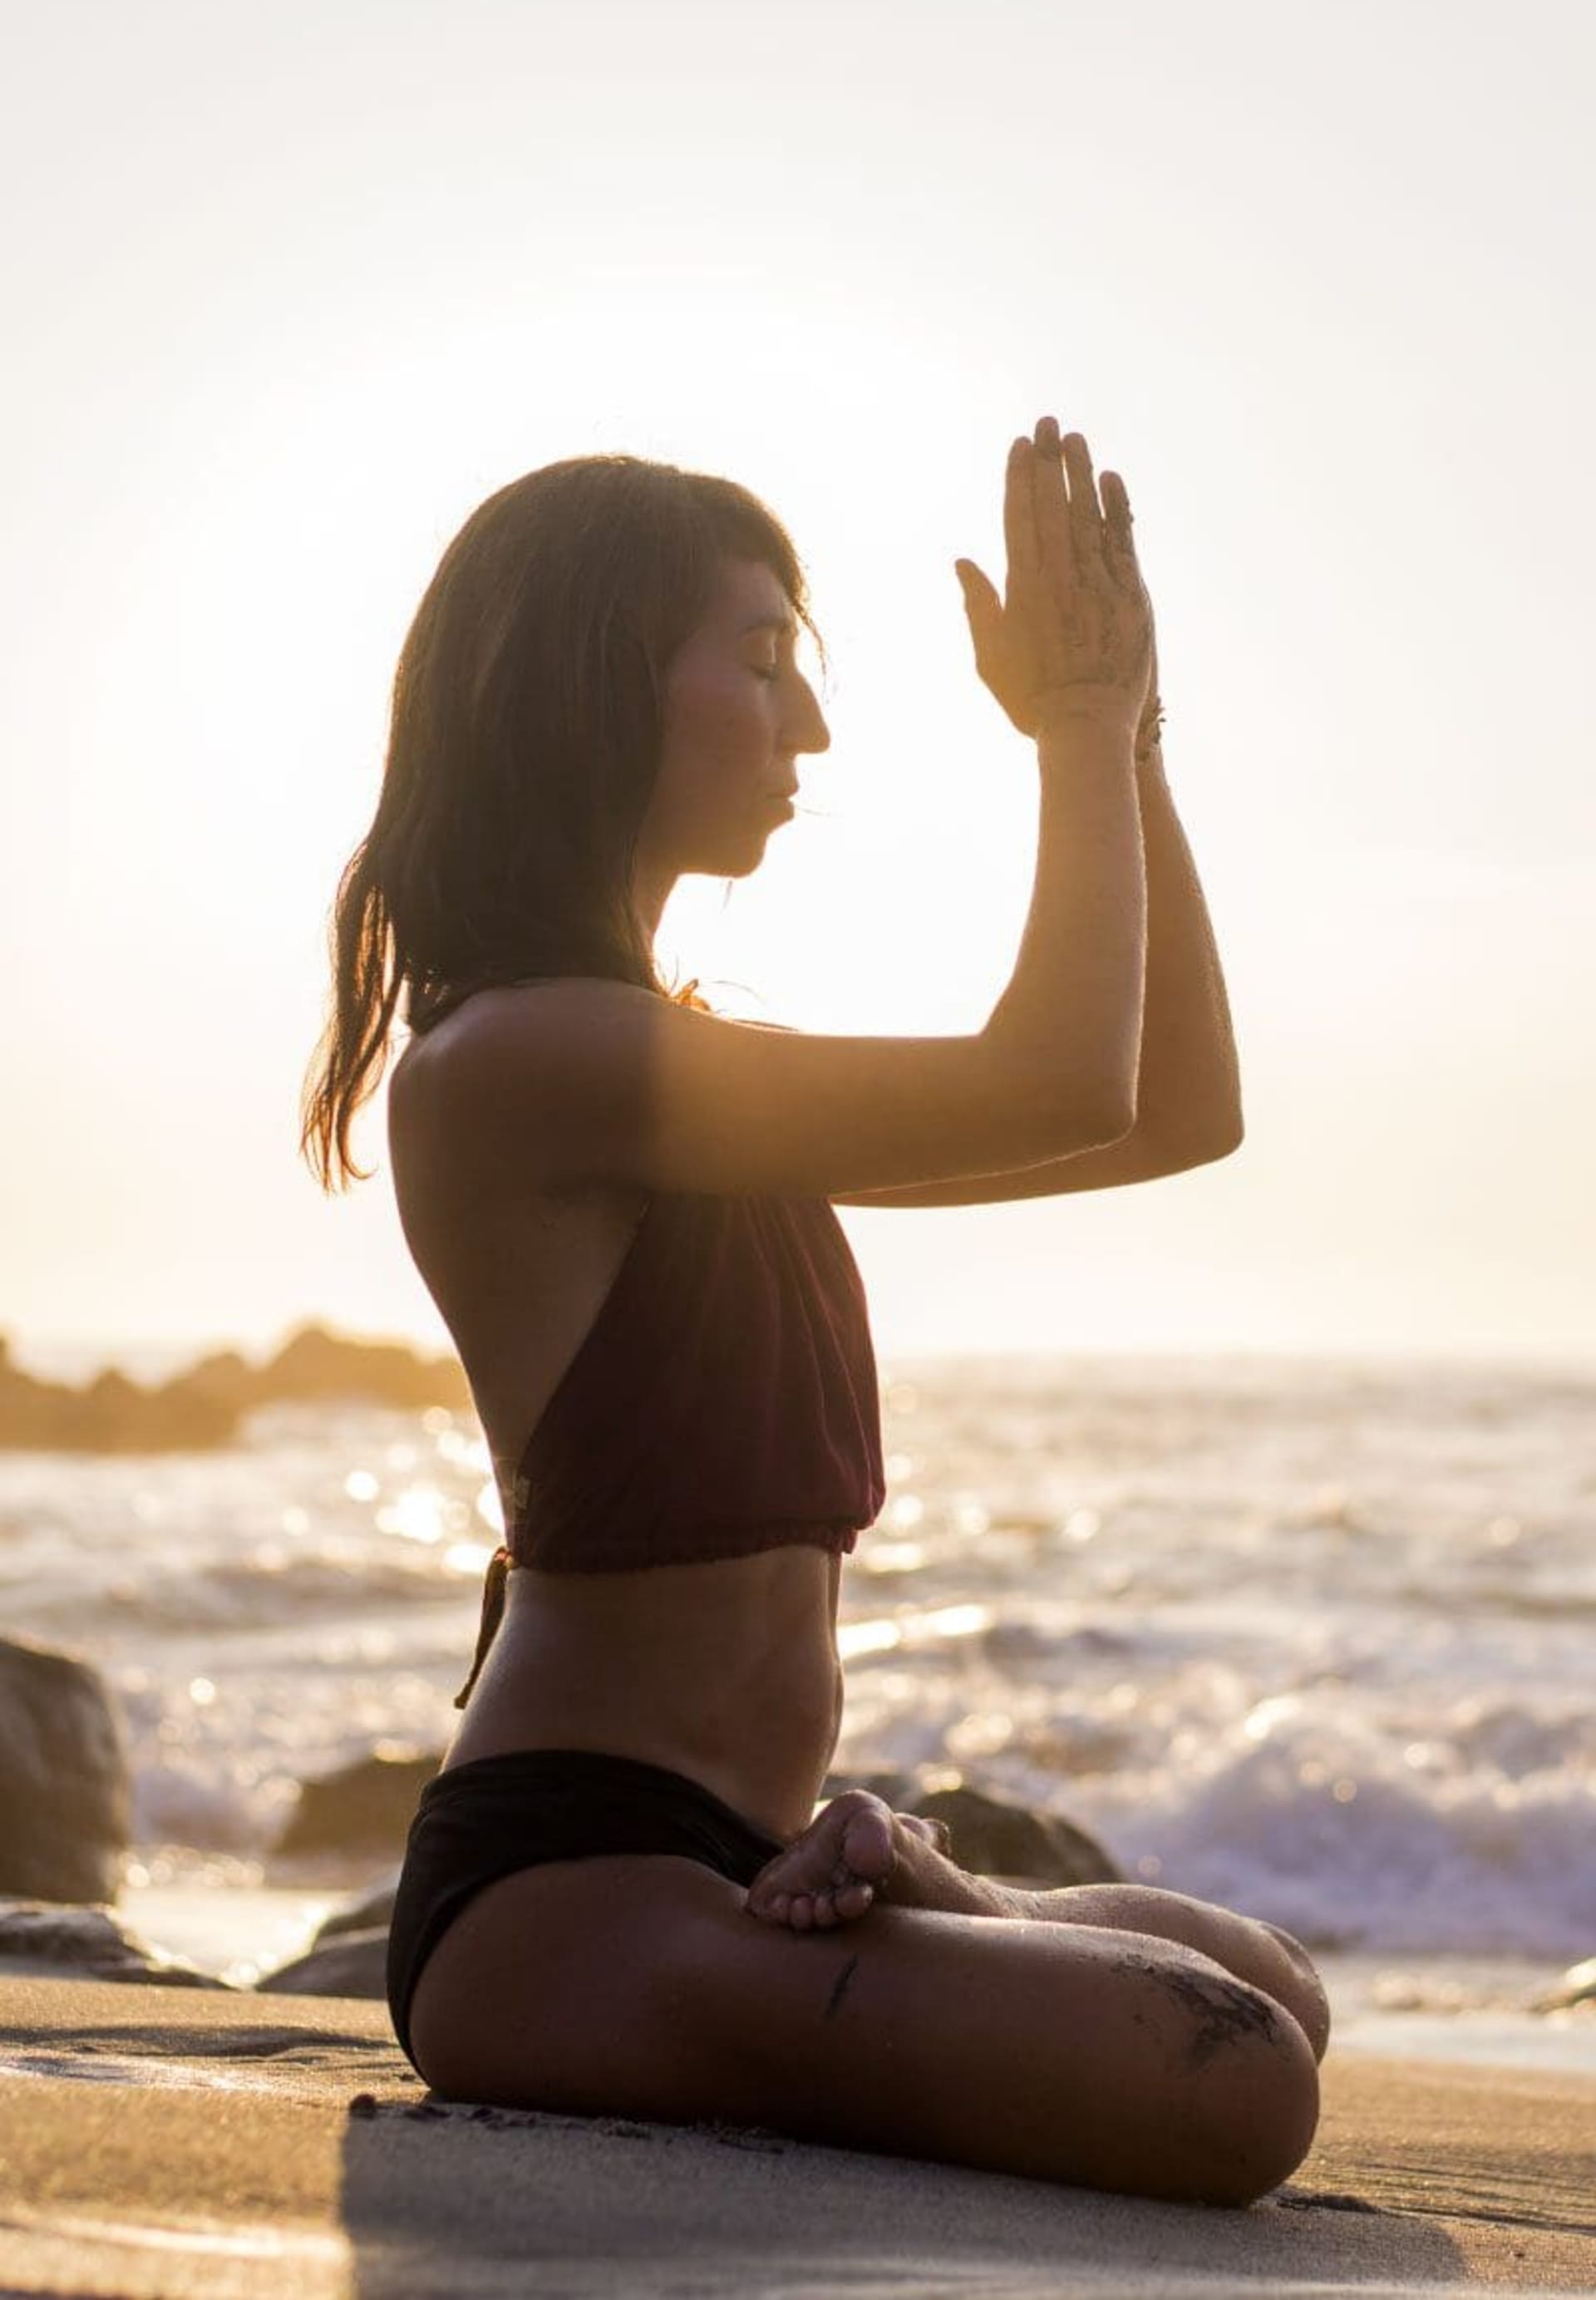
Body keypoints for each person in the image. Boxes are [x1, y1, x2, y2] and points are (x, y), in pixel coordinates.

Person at [300, 417, 1328, 2207]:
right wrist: (1073, 731)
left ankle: (925, 1879)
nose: (814, 726)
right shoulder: (521, 1062)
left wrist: (1130, 736)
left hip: (744, 1849)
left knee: (1272, 1994)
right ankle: (914, 1914)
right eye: (764, 662)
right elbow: (1060, 1078)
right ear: (591, 690)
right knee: (1233, 2087)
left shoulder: (684, 1069)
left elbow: (1170, 1112)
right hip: (568, 1890)